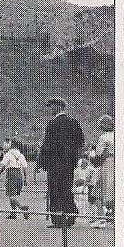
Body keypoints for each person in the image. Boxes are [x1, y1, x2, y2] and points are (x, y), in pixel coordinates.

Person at [36, 97, 84, 228]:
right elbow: (80, 142)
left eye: (51, 106)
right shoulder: (73, 122)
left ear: (57, 107)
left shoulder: (52, 124)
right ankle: (71, 213)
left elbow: (48, 145)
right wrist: (74, 159)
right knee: (66, 189)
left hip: (55, 164)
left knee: (55, 190)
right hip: (68, 164)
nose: (50, 109)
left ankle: (58, 219)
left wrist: (41, 163)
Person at [0, 138, 30, 219]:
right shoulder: (21, 155)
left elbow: (3, 166)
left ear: (12, 145)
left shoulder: (8, 154)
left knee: (11, 195)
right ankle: (13, 213)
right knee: (13, 194)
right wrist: (25, 179)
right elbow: (25, 167)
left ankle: (22, 208)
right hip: (19, 175)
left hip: (11, 175)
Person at [90, 115, 115, 219]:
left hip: (107, 163)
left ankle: (102, 216)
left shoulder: (104, 137)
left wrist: (92, 151)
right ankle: (111, 213)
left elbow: (99, 154)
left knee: (103, 189)